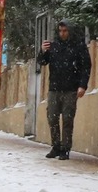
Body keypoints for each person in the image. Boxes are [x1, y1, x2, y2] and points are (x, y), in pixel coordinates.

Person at [37, 20, 91, 159]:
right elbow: (42, 62)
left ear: (70, 31)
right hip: (54, 88)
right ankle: (56, 146)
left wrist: (82, 85)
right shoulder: (54, 46)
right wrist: (42, 51)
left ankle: (65, 149)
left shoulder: (79, 46)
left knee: (67, 119)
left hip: (71, 88)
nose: (62, 33)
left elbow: (86, 66)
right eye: (60, 31)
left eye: (65, 31)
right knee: (52, 117)